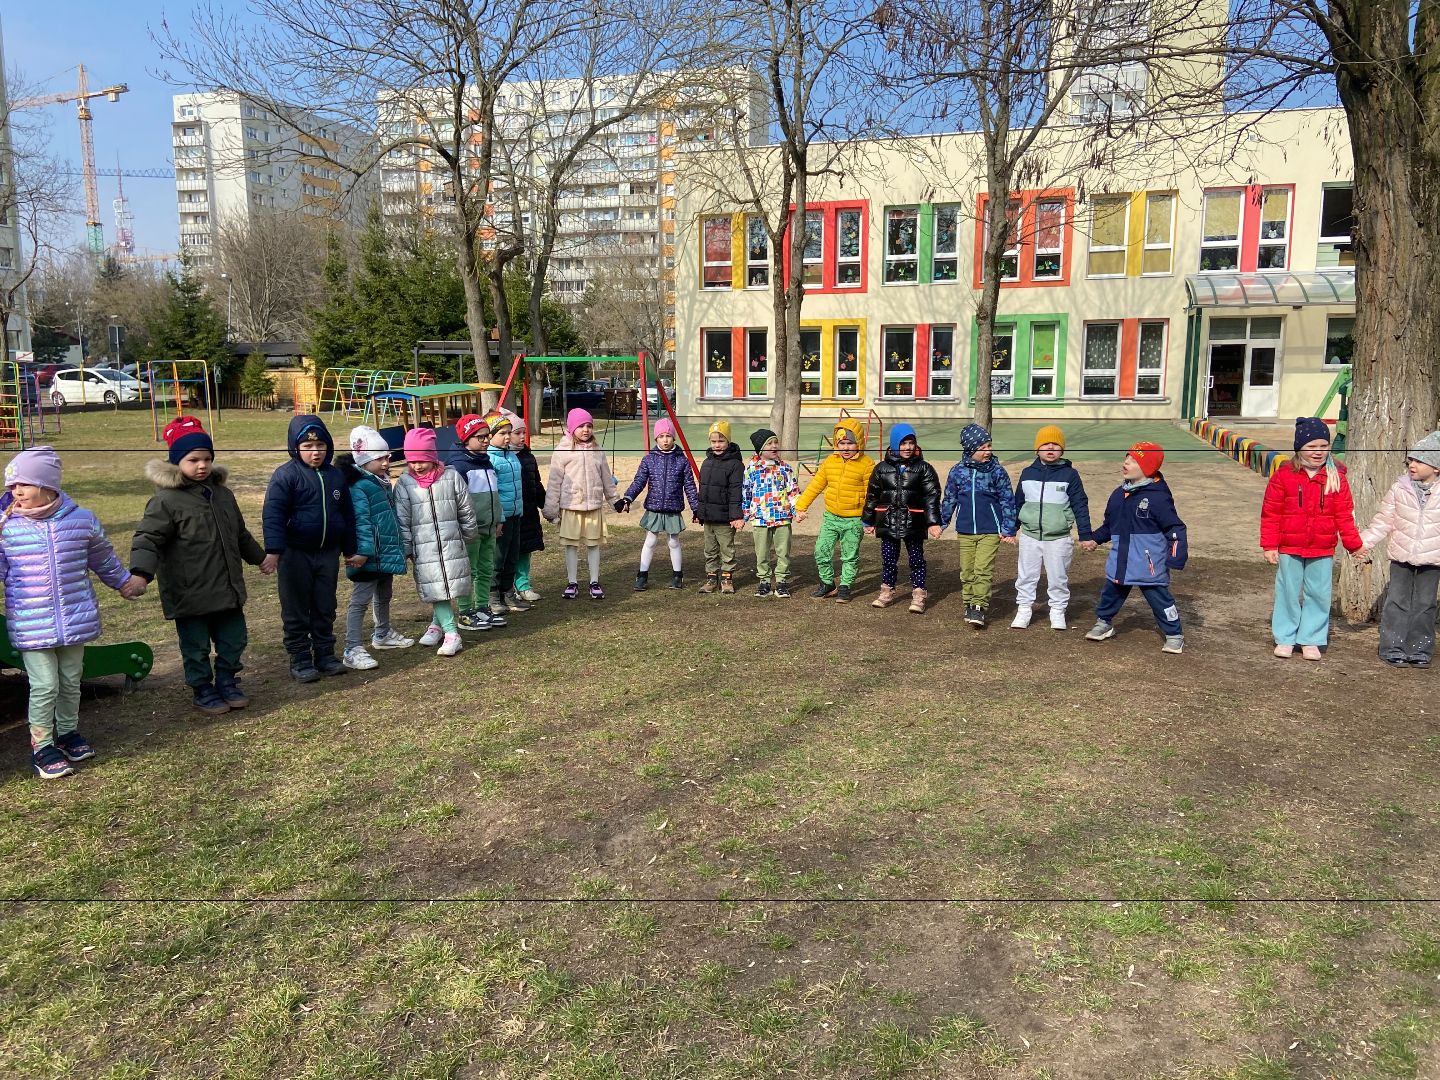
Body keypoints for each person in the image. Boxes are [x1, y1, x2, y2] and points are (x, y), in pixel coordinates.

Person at [0, 447, 142, 778]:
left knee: (70, 680)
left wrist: (123, 582)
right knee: (45, 685)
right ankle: (42, 746)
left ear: (47, 485)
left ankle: (67, 733)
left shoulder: (81, 521)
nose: (16, 491)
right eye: (11, 486)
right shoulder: (6, 528)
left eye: (23, 484)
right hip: (32, 624)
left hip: (73, 619)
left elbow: (103, 558)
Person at [129, 416, 272, 714]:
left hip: (227, 588)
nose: (202, 466)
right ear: (176, 462)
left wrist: (260, 558)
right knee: (196, 647)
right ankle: (202, 688)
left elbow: (239, 534)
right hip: (190, 592)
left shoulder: (223, 495)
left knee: (234, 640)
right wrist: (141, 574)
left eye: (207, 459)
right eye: (193, 460)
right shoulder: (166, 501)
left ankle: (227, 681)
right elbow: (148, 539)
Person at [1260, 417, 1365, 661]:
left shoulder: (1336, 477)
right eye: (1312, 447)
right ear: (1299, 448)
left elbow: (1344, 515)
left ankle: (1311, 639)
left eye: (1323, 446)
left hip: (1322, 547)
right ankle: (1285, 637)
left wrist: (1354, 544)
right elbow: (1271, 513)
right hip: (1289, 546)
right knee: (1287, 592)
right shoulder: (1283, 476)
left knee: (1318, 594)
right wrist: (1269, 545)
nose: (1318, 452)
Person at [261, 414, 356, 683]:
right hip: (295, 554)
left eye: (320, 446)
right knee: (296, 608)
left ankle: (325, 655)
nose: (315, 452)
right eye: (308, 447)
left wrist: (350, 549)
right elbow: (273, 515)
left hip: (328, 553)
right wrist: (274, 550)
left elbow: (347, 515)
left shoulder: (335, 476)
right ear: (295, 447)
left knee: (325, 605)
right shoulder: (285, 476)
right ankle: (300, 658)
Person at [1085, 441, 1188, 653]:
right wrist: (1095, 539)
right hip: (1120, 559)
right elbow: (1110, 525)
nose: (1125, 463)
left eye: (1132, 461)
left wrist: (1175, 556)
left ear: (1147, 468)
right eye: (1126, 458)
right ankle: (1104, 623)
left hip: (1148, 563)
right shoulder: (1118, 494)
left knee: (1159, 599)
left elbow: (1175, 528)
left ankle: (1174, 634)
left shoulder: (1158, 497)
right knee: (1111, 593)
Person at [394, 427, 479, 656]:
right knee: (435, 588)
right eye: (412, 461)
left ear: (432, 456)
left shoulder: (451, 477)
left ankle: (438, 624)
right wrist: (407, 547)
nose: (417, 466)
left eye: (422, 460)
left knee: (448, 586)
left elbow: (466, 508)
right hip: (425, 549)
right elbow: (402, 519)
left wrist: (469, 534)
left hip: (451, 543)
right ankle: (451, 632)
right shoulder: (404, 484)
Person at [338, 426, 415, 669]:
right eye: (379, 458)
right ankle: (352, 647)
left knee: (384, 594)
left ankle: (382, 633)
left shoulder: (379, 481)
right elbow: (361, 521)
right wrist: (363, 552)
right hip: (367, 556)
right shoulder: (359, 486)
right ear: (364, 460)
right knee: (360, 600)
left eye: (387, 457)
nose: (386, 462)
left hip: (384, 553)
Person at [1361, 430, 1440, 667]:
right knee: (1396, 601)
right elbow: (1383, 520)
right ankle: (1392, 647)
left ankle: (1419, 649)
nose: (1412, 465)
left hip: (1433, 560)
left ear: (1436, 467)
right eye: (1411, 460)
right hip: (1401, 557)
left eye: (1419, 461)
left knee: (1426, 604)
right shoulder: (1400, 488)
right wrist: (1362, 543)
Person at [1011, 424, 1096, 630]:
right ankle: (1024, 609)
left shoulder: (1070, 475)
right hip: (1030, 536)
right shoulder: (1027, 473)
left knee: (1058, 577)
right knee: (1026, 575)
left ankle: (1057, 610)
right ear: (1037, 449)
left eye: (1055, 445)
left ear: (1062, 450)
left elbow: (1080, 505)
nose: (1050, 448)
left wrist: (1085, 534)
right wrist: (1011, 529)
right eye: (1045, 444)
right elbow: (1018, 503)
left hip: (1058, 537)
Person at [938, 424, 1017, 627]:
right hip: (965, 530)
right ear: (970, 449)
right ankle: (969, 603)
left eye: (989, 445)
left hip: (990, 531)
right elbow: (949, 499)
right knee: (967, 571)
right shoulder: (957, 471)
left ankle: (979, 607)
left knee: (983, 570)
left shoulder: (997, 471)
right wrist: (941, 523)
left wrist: (1008, 529)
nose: (988, 451)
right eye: (983, 447)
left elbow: (1007, 500)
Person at [862, 424, 942, 613]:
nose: (907, 447)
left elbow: (931, 496)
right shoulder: (881, 469)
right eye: (903, 443)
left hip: (913, 522)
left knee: (916, 559)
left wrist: (933, 522)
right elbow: (872, 495)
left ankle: (919, 594)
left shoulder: (924, 468)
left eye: (911, 443)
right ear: (894, 444)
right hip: (888, 521)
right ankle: (886, 592)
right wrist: (868, 520)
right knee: (888, 559)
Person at [796, 418, 875, 603]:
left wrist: (870, 519)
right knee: (821, 551)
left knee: (849, 555)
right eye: (841, 443)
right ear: (836, 444)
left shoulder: (867, 464)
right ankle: (827, 584)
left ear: (859, 443)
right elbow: (815, 485)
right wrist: (801, 506)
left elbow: (871, 495)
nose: (845, 448)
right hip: (831, 517)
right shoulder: (830, 462)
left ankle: (845, 586)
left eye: (850, 443)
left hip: (854, 520)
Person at [544, 408, 617, 600]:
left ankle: (594, 581)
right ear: (571, 428)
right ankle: (572, 582)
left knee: (593, 544)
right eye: (581, 426)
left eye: (589, 426)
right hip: (571, 506)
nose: (586, 429)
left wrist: (614, 500)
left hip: (593, 506)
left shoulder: (597, 450)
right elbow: (554, 482)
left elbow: (607, 479)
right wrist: (551, 509)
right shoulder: (562, 450)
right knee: (571, 545)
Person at [619, 417, 699, 590]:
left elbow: (690, 486)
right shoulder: (649, 460)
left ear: (673, 438)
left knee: (673, 542)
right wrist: (628, 498)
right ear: (656, 438)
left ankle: (677, 575)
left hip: (673, 508)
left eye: (668, 436)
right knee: (650, 541)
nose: (665, 440)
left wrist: (696, 508)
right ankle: (642, 575)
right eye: (661, 436)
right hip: (654, 508)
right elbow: (639, 481)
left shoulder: (682, 460)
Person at [449, 414, 506, 632]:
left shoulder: (487, 463)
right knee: (469, 571)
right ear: (466, 439)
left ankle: (482, 607)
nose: (486, 441)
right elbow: (457, 502)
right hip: (470, 531)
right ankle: (465, 612)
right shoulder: (458, 467)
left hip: (490, 527)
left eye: (487, 436)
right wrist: (466, 526)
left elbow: (495, 495)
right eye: (480, 437)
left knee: (485, 569)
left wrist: (498, 518)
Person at [742, 428, 799, 598]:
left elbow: (793, 492)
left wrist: (797, 510)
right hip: (760, 518)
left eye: (776, 442)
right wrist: (744, 515)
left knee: (783, 551)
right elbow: (746, 493)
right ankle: (764, 582)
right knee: (762, 552)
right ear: (760, 449)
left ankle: (781, 582)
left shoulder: (785, 468)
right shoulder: (751, 469)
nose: (774, 446)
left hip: (782, 517)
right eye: (769, 443)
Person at [487, 410, 531, 613]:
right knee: (498, 558)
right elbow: (493, 493)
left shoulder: (512, 456)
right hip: (500, 518)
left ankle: (508, 592)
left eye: (508, 433)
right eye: (502, 433)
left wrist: (519, 510)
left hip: (515, 515)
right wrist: (498, 518)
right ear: (490, 435)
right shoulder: (489, 458)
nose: (507, 437)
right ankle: (493, 596)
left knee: (512, 557)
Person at [695, 420, 745, 594]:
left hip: (725, 517)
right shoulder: (706, 462)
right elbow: (703, 490)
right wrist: (700, 512)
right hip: (709, 516)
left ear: (728, 441)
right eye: (713, 441)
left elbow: (736, 492)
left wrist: (736, 516)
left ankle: (726, 578)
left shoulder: (735, 465)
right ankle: (711, 578)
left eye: (721, 441)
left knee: (726, 549)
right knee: (710, 549)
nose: (717, 445)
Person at [511, 414, 546, 602]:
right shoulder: (498, 457)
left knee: (525, 550)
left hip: (528, 512)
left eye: (523, 432)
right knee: (508, 552)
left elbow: (536, 484)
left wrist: (546, 505)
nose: (522, 436)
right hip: (509, 513)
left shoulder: (528, 457)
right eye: (517, 433)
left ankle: (523, 585)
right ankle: (508, 588)